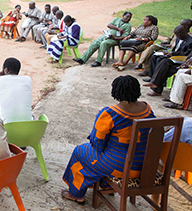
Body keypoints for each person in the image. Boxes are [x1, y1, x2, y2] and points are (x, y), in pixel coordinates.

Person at [61, 75, 155, 204]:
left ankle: (76, 194)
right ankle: (107, 185)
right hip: (145, 166)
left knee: (80, 151)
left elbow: (97, 142)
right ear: (137, 90)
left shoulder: (110, 113)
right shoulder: (147, 109)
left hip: (120, 168)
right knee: (105, 154)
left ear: (115, 92)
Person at [144, 30, 192, 97]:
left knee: (164, 69)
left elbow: (190, 56)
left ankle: (156, 87)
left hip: (191, 67)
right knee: (164, 62)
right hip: (182, 61)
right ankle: (155, 85)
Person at [0, 57, 33, 123]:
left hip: (7, 127)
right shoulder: (28, 80)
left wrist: (2, 107)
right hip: (27, 126)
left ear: (6, 70)